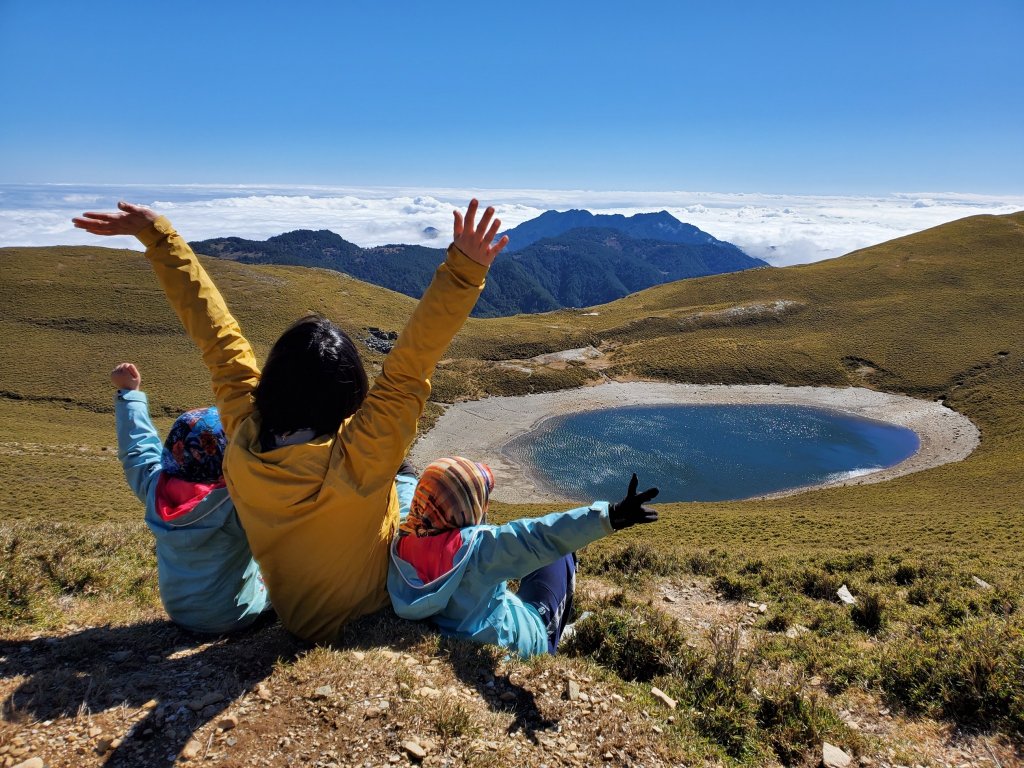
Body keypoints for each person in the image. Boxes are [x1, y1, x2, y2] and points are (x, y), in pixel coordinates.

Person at [74, 199, 507, 642]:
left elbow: (217, 337)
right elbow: (409, 367)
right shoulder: (362, 454)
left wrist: (158, 237)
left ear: (273, 382)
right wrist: (464, 270)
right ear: (350, 395)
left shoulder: (243, 436)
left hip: (299, 623)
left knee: (399, 474)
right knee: (413, 478)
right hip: (374, 609)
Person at [388, 457, 659, 657]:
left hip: (455, 623)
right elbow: (539, 537)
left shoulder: (402, 536)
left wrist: (404, 474)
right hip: (521, 641)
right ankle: (556, 635)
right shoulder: (477, 550)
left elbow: (406, 498)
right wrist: (609, 516)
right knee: (560, 556)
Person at [111, 361, 269, 633]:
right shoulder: (234, 503)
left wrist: (130, 394)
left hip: (179, 611)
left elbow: (137, 449)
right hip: (235, 613)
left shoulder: (154, 487)